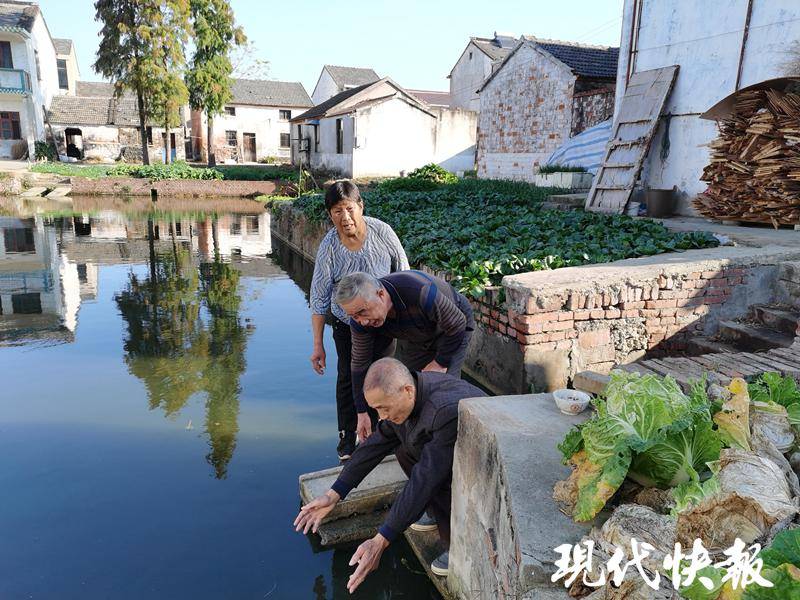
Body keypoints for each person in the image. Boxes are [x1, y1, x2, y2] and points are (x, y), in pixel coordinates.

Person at [293, 358, 487, 593]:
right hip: (445, 446)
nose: (381, 416)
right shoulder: (406, 398)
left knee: (433, 478)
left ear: (406, 390)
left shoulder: (443, 411)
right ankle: (436, 513)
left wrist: (381, 538)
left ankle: (457, 545)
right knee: (403, 447)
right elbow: (375, 444)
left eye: (383, 408)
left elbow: (425, 479)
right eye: (376, 409)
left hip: (483, 464)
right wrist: (334, 494)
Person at [308, 180, 409, 461]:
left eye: (349, 209)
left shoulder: (382, 233)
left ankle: (383, 434)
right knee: (348, 376)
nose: (345, 217)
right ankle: (348, 438)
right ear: (330, 214)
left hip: (383, 321)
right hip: (347, 324)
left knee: (384, 373)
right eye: (337, 211)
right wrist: (318, 344)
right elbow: (318, 296)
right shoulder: (330, 246)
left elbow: (403, 274)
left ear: (360, 206)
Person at [334, 270, 474, 443]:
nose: (362, 321)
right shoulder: (362, 322)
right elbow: (360, 364)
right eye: (353, 316)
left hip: (453, 327)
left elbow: (457, 323)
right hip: (417, 334)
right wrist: (361, 411)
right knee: (407, 387)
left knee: (443, 390)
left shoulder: (419, 291)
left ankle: (447, 443)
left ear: (381, 294)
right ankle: (414, 443)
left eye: (363, 312)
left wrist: (440, 362)